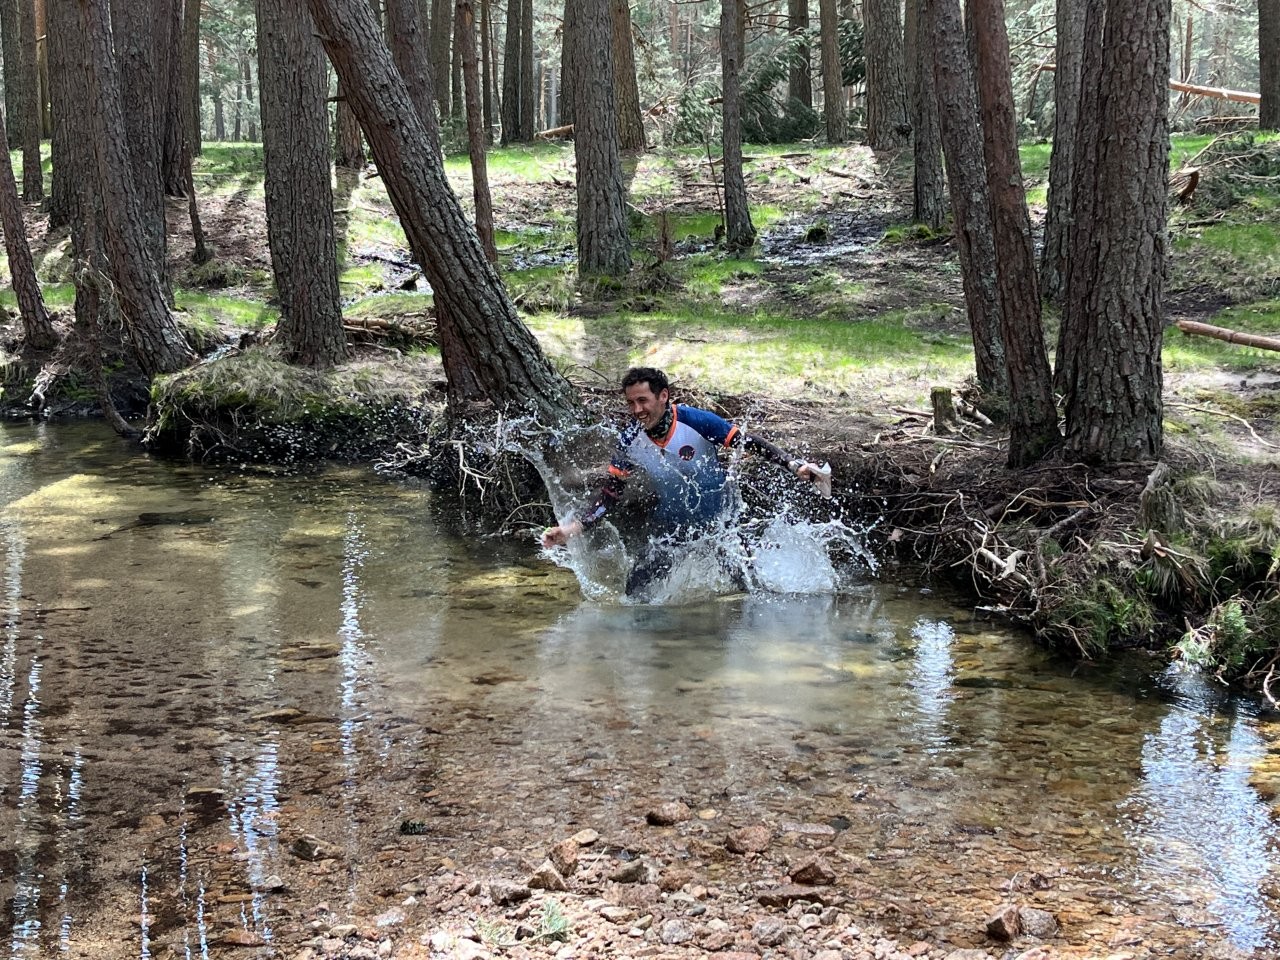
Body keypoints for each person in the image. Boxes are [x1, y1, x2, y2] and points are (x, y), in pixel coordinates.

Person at [541, 367, 829, 596]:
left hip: (722, 523)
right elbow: (611, 494)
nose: (637, 410)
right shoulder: (629, 440)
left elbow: (747, 442)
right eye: (631, 403)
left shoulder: (695, 420)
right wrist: (572, 529)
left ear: (663, 396)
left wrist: (793, 465)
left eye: (643, 400)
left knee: (752, 591)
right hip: (672, 528)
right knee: (634, 595)